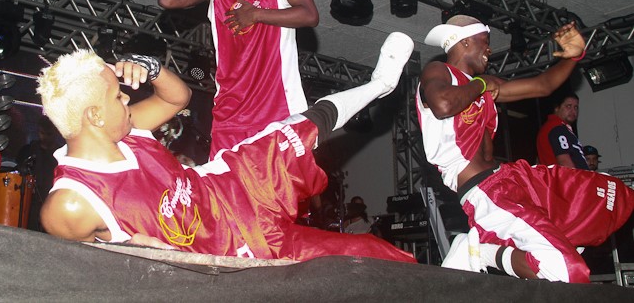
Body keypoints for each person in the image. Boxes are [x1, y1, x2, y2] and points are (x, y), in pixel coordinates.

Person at [37, 33, 417, 263]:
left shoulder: (127, 129)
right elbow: (88, 277)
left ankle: (380, 84)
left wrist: (153, 69)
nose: (125, 98)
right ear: (94, 116)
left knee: (294, 130)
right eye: (116, 96)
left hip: (233, 191)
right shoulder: (71, 203)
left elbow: (178, 98)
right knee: (366, 259)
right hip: (222, 263)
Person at [416, 15, 634, 283]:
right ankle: (481, 252)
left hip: (513, 177)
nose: (489, 49)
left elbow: (543, 86)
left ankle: (548, 245)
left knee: (611, 195)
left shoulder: (484, 83)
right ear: (465, 42)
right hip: (483, 190)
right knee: (564, 270)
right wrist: (482, 85)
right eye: (485, 41)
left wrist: (573, 57)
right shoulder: (439, 71)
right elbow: (443, 105)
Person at [158, 0, 319, 158]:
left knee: (279, 180)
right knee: (229, 181)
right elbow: (168, 0)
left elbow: (309, 14)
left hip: (277, 104)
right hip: (231, 111)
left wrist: (256, 14)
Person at [536, 93, 589, 169]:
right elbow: (565, 162)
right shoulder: (556, 127)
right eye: (568, 106)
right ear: (557, 108)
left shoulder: (556, 127)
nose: (573, 111)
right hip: (567, 176)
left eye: (576, 107)